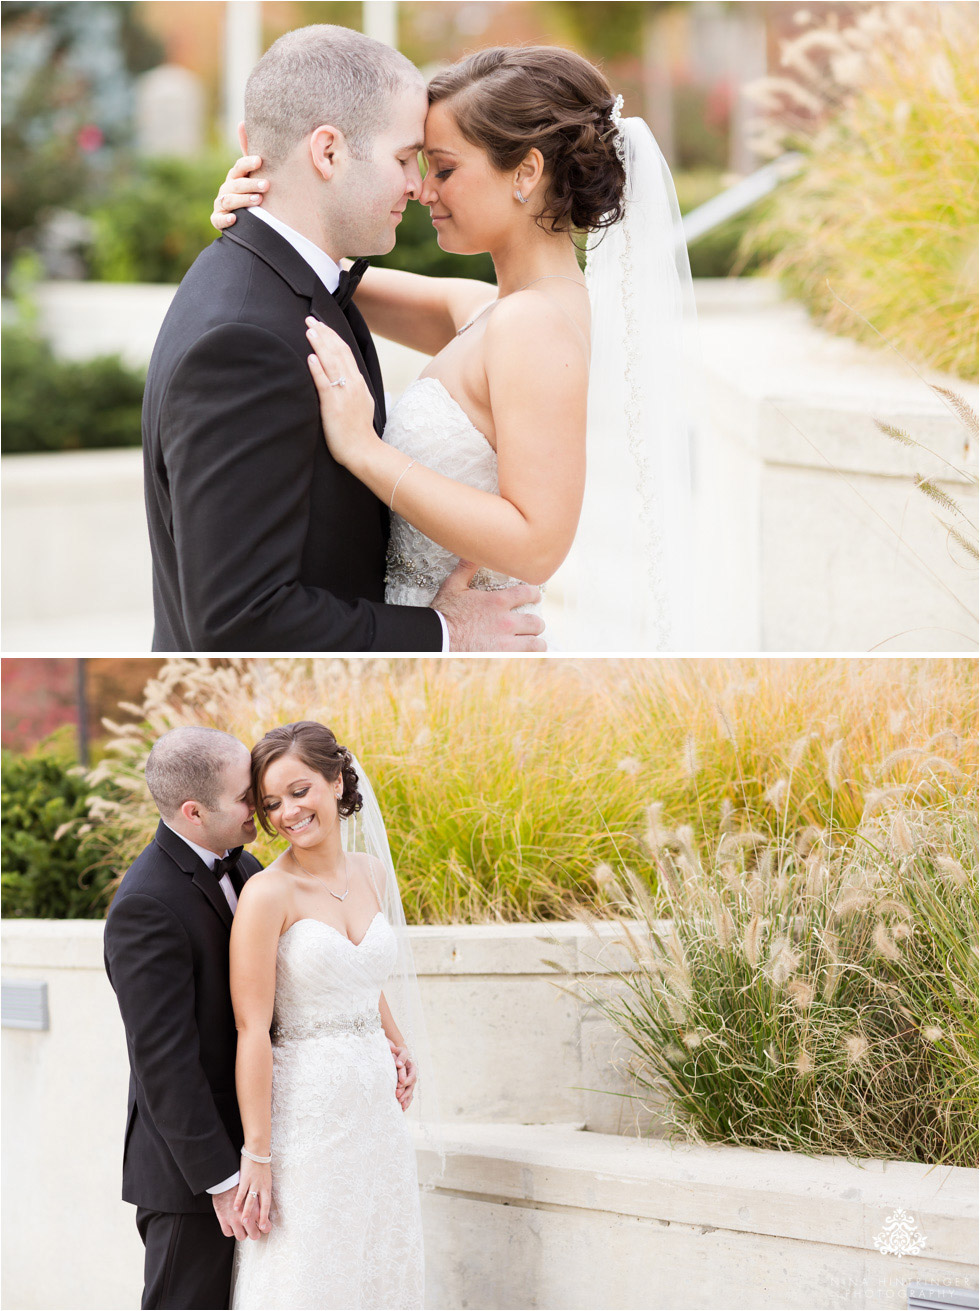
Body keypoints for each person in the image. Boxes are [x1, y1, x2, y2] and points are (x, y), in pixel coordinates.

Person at [214, 43, 699, 651]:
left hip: (459, 646)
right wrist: (267, 212)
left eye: (442, 169)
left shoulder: (531, 326)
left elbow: (538, 544)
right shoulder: (494, 310)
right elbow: (324, 276)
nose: (421, 190)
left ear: (525, 172)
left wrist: (365, 450)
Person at [145, 24, 545, 653]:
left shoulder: (280, 282)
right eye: (405, 158)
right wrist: (444, 633)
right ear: (327, 152)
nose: (418, 187)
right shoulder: (243, 341)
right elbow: (238, 622)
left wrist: (264, 227)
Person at [228, 722, 425, 1310]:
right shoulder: (268, 894)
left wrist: (396, 1040)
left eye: (299, 790)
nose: (287, 812)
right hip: (307, 1115)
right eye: (271, 803)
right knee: (311, 1268)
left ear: (337, 781)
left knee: (379, 1255)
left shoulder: (372, 872)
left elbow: (364, 977)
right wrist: (257, 1155)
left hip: (375, 1112)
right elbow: (251, 1029)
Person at [103, 727, 264, 1310]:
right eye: (249, 795)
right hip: (194, 1181)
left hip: (257, 1157)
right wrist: (221, 1181)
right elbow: (163, 1062)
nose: (262, 804)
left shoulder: (245, 869)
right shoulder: (146, 905)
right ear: (194, 811)